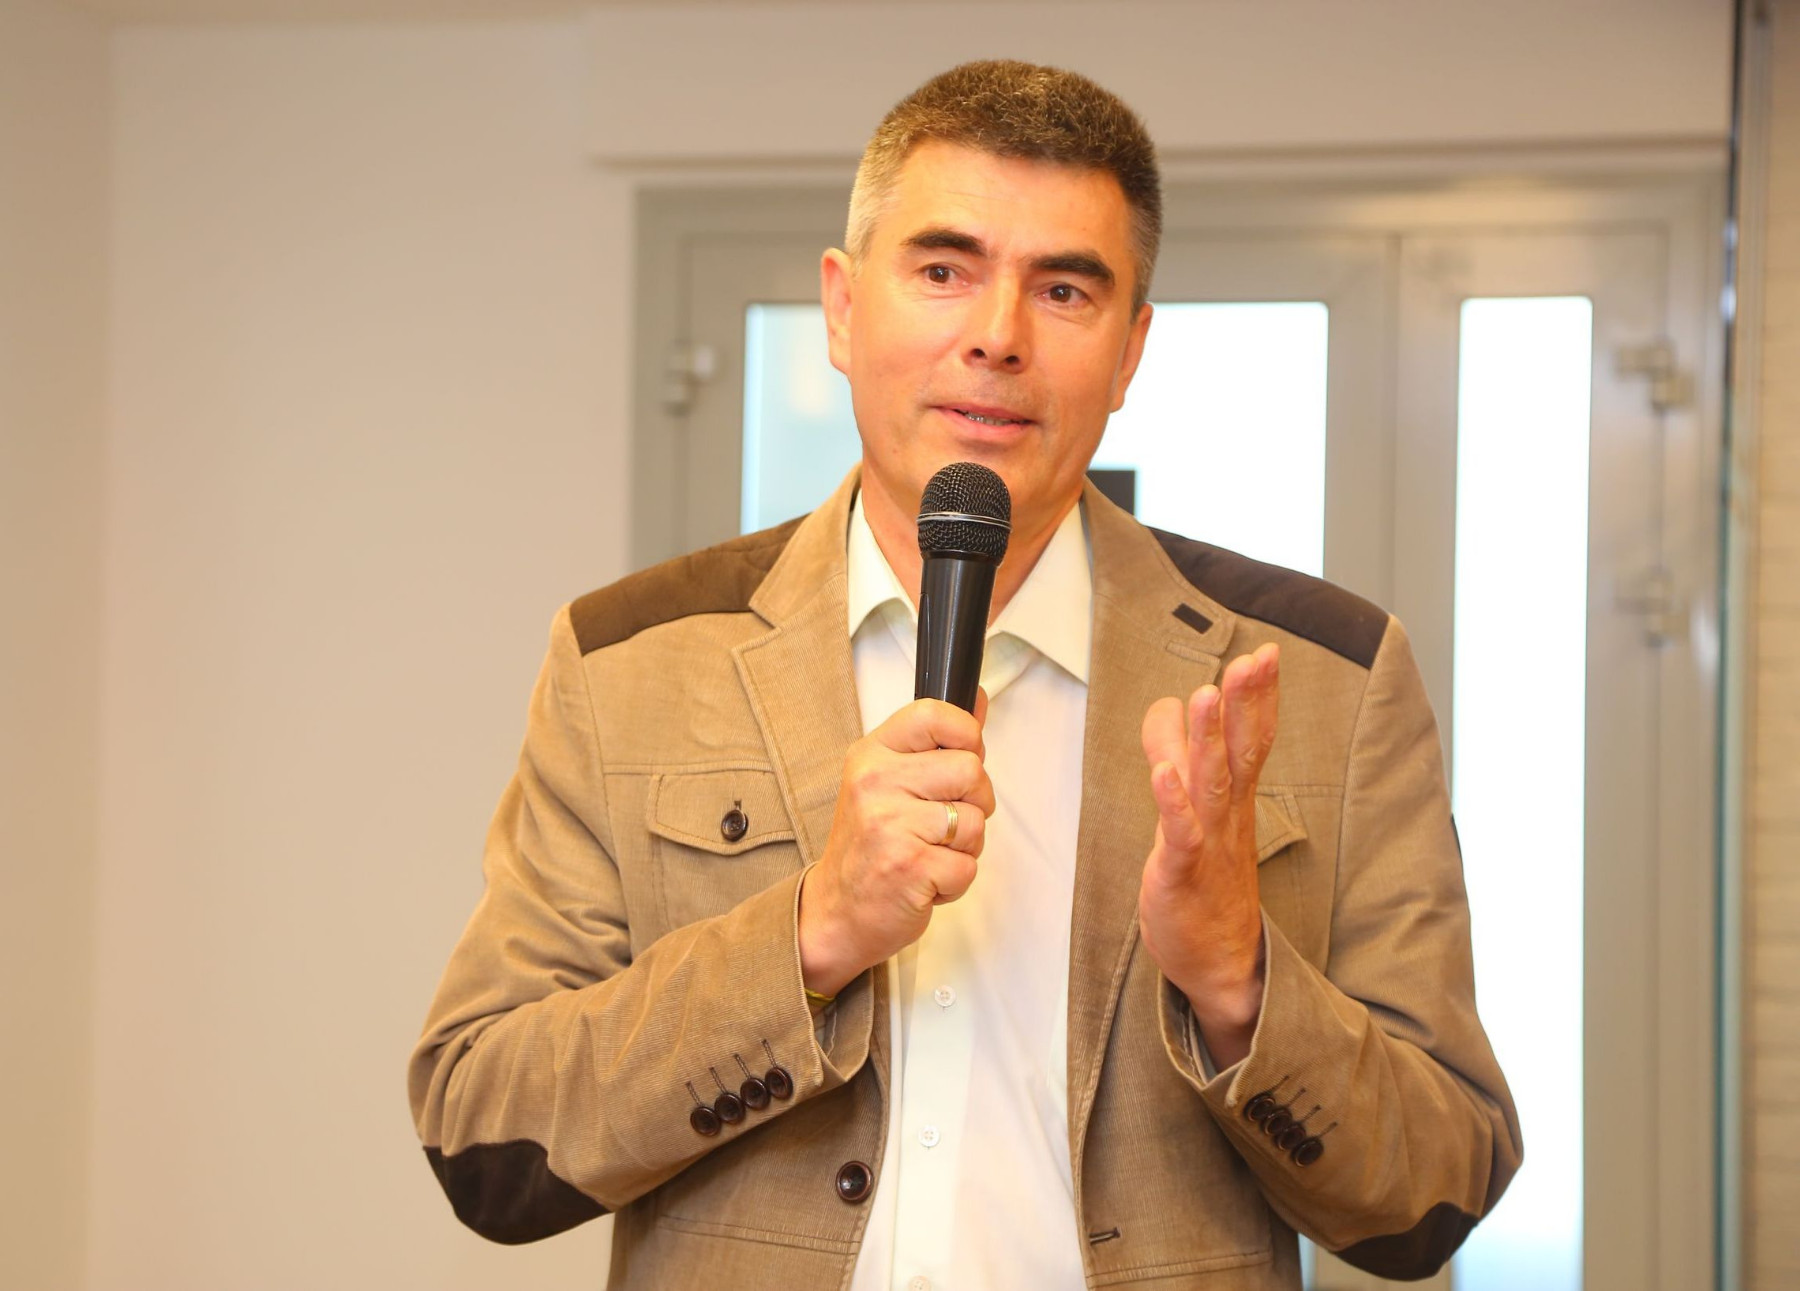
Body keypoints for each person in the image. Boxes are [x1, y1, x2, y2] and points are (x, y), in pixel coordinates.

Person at [408, 60, 1521, 1290]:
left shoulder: (1323, 677)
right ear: (843, 309)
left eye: (1064, 289)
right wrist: (808, 935)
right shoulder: (630, 661)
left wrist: (1239, 984)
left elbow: (1435, 1192)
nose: (998, 334)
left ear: (1131, 351)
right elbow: (485, 1141)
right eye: (943, 270)